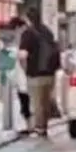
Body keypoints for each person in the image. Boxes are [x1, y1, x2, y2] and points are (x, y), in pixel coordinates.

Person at [17, 7, 62, 136]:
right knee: (45, 102)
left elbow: (22, 55)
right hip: (50, 73)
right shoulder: (47, 31)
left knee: (37, 103)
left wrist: (26, 70)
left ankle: (39, 128)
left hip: (35, 74)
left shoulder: (28, 33)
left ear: (28, 18)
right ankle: (44, 126)